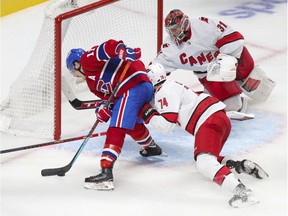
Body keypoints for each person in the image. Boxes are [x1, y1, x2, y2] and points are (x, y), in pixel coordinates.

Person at [139, 63, 269, 208]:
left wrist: (146, 112)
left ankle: (243, 193)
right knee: (209, 159)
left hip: (208, 122)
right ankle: (240, 165)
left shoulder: (164, 92)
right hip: (220, 118)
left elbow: (166, 125)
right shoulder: (170, 85)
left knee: (204, 162)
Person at [66, 39, 164, 190]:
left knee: (116, 127)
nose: (75, 74)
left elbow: (107, 47)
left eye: (73, 70)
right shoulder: (92, 85)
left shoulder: (87, 60)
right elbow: (110, 100)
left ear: (76, 64)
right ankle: (150, 147)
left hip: (133, 85)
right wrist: (104, 109)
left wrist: (121, 49)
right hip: (136, 89)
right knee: (130, 123)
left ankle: (106, 172)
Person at [151, 9, 275, 113]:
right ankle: (211, 95)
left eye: (175, 29)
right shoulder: (170, 48)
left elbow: (234, 38)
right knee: (234, 106)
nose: (173, 33)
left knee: (261, 91)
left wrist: (227, 62)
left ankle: (235, 81)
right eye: (170, 30)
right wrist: (143, 82)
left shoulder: (204, 25)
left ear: (184, 23)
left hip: (230, 60)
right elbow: (156, 69)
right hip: (209, 75)